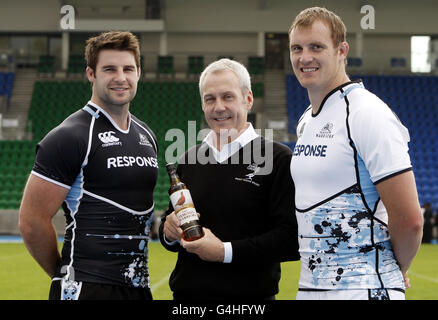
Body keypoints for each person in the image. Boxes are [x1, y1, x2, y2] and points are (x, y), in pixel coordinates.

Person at [288, 7, 423, 300]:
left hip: (364, 288)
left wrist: (396, 268)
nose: (304, 57)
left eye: (316, 47)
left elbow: (410, 219)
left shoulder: (367, 113)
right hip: (310, 288)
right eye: (297, 48)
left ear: (342, 50)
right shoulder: (306, 121)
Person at [19, 31, 158, 300]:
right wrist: (63, 275)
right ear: (91, 74)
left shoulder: (147, 135)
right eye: (109, 69)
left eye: (128, 68)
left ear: (138, 73)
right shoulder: (69, 136)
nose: (121, 77)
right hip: (85, 287)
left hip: (139, 288)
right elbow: (31, 222)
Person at [159, 58, 299, 300]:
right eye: (210, 99)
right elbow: (171, 223)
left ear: (248, 99)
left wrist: (224, 252)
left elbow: (291, 239)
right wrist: (168, 231)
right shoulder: (188, 159)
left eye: (228, 97)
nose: (218, 107)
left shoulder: (279, 159)